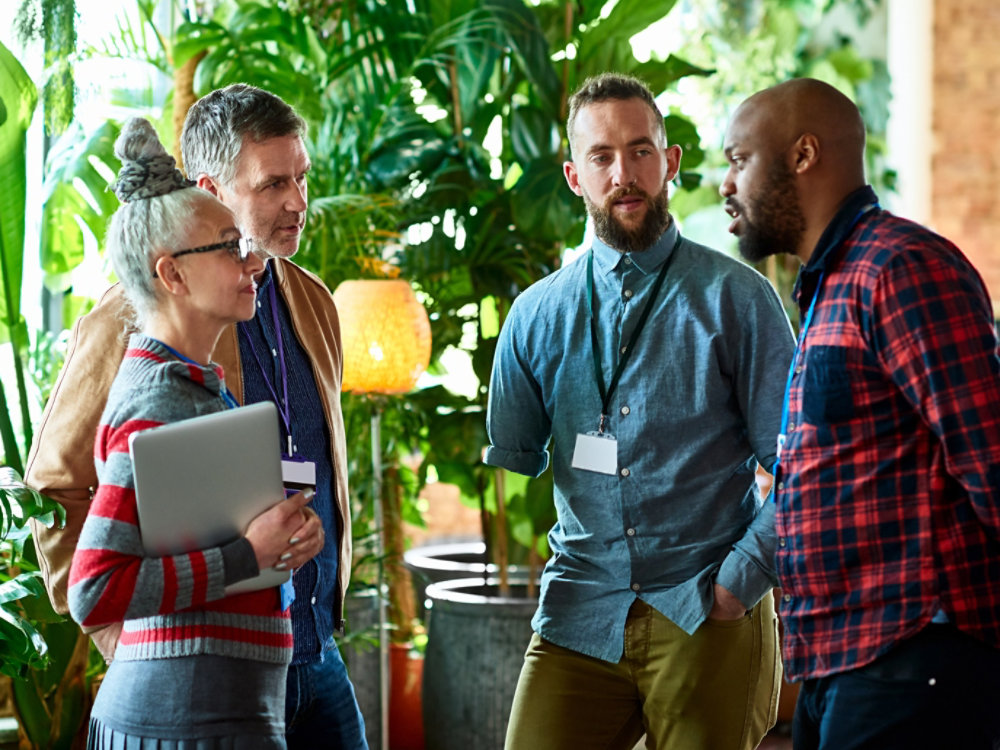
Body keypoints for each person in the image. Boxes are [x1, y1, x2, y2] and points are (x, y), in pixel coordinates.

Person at [25, 85, 368, 748]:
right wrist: (126, 643)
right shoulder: (126, 319)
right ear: (209, 189)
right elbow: (54, 486)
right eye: (272, 184)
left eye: (301, 178)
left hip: (315, 654)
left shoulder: (315, 301)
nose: (298, 202)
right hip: (203, 677)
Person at [484, 72, 795, 750]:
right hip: (579, 611)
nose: (623, 173)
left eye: (640, 150)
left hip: (707, 609)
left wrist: (739, 584)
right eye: (601, 156)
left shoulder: (738, 300)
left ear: (670, 161)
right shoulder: (535, 315)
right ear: (574, 175)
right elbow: (513, 449)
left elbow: (805, 467)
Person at [720, 77, 1000, 750]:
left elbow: (991, 456)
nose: (724, 184)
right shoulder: (830, 286)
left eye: (738, 160)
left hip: (913, 654)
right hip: (843, 659)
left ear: (804, 155)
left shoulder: (898, 268)